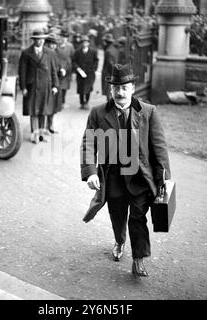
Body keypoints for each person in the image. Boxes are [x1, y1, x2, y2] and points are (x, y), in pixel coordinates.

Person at [80, 64, 171, 277]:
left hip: (140, 178)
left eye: (125, 87)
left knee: (138, 217)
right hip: (113, 178)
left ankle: (138, 259)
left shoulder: (148, 112)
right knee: (118, 215)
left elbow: (159, 147)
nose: (120, 92)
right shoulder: (98, 113)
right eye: (115, 88)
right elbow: (88, 143)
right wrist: (91, 172)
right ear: (110, 90)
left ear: (133, 89)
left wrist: (164, 178)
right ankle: (120, 242)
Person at [19, 29, 59, 144]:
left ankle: (42, 135)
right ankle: (35, 134)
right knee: (33, 111)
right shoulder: (26, 53)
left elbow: (53, 71)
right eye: (38, 39)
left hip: (46, 86)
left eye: (42, 39)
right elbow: (22, 71)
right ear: (34, 40)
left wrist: (55, 85)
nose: (40, 42)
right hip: (32, 86)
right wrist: (23, 87)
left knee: (43, 111)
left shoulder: (50, 53)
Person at [45, 33, 65, 134]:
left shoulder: (57, 53)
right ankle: (44, 127)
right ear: (47, 44)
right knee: (46, 105)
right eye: (50, 43)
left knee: (53, 106)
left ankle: (50, 125)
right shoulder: (45, 53)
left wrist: (62, 69)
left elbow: (59, 64)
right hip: (47, 82)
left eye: (54, 44)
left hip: (56, 82)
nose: (52, 46)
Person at [72, 35, 99, 110]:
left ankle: (86, 102)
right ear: (81, 43)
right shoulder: (77, 52)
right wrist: (78, 69)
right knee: (81, 88)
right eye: (83, 42)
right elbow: (74, 61)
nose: (84, 44)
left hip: (90, 73)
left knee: (88, 88)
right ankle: (82, 103)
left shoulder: (93, 51)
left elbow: (96, 60)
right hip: (80, 73)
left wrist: (94, 69)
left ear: (88, 43)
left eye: (86, 42)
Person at [56, 30, 75, 109]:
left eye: (66, 38)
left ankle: (63, 101)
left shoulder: (70, 46)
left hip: (67, 68)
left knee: (65, 86)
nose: (64, 39)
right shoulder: (57, 46)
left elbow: (73, 57)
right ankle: (58, 102)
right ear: (60, 37)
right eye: (63, 37)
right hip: (58, 68)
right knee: (58, 85)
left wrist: (72, 69)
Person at [101, 33, 119, 101]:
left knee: (109, 90)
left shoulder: (108, 51)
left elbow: (110, 63)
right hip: (112, 72)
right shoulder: (114, 49)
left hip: (109, 73)